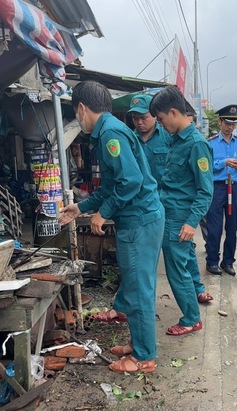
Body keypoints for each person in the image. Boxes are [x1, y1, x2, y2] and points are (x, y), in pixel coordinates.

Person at [58, 81, 164, 374]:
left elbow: (130, 182)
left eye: (75, 114)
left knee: (140, 289)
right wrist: (81, 207)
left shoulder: (110, 134)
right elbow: (111, 185)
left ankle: (144, 357)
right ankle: (140, 344)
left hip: (139, 221)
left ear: (81, 108)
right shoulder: (110, 131)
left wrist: (102, 214)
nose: (77, 121)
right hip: (143, 218)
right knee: (136, 285)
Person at [149, 86, 214, 336]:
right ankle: (191, 312)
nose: (162, 125)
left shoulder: (197, 145)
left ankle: (191, 319)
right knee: (182, 264)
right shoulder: (176, 140)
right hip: (170, 213)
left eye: (162, 119)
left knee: (177, 270)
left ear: (174, 112)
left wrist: (191, 222)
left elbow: (205, 190)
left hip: (180, 218)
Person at [204, 105, 237, 276]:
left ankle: (228, 261)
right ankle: (212, 261)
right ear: (220, 122)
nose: (230, 127)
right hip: (217, 188)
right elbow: (206, 166)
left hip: (235, 188)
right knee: (214, 227)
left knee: (232, 227)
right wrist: (224, 162)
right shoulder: (210, 143)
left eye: (233, 124)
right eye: (227, 123)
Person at [128, 93, 170, 184]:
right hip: (139, 195)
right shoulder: (130, 140)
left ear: (154, 116)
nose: (139, 122)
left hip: (163, 194)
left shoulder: (168, 136)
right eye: (135, 118)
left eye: (143, 118)